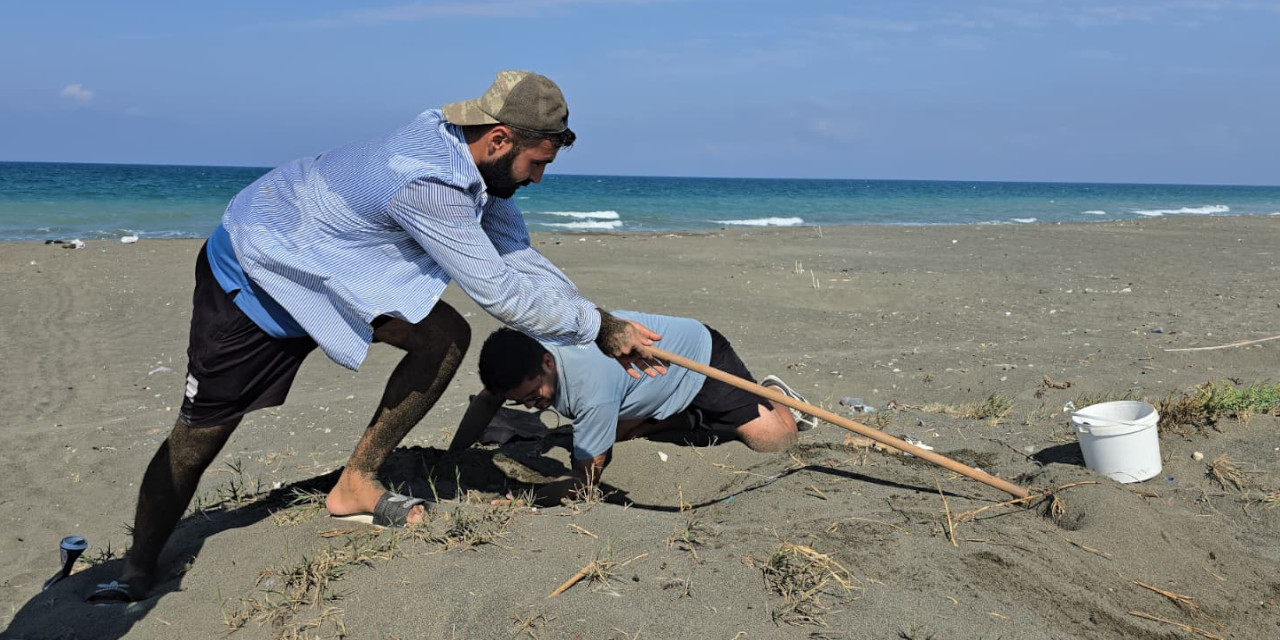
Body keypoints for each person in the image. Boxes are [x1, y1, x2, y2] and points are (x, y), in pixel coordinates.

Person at [88, 71, 667, 604]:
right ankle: (137, 570)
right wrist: (599, 331)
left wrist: (603, 319)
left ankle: (355, 482)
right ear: (497, 140)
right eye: (536, 163)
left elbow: (516, 255)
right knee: (200, 436)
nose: (539, 177)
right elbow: (501, 293)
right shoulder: (427, 183)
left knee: (442, 337)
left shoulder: (476, 166)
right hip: (261, 271)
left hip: (341, 271)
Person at [448, 311, 818, 506]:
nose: (530, 405)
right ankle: (675, 417)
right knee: (611, 434)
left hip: (697, 362)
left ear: (547, 362)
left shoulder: (590, 389)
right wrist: (455, 456)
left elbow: (583, 484)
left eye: (533, 394)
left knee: (775, 441)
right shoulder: (526, 355)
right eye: (520, 401)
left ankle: (769, 394)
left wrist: (522, 498)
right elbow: (487, 399)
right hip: (643, 385)